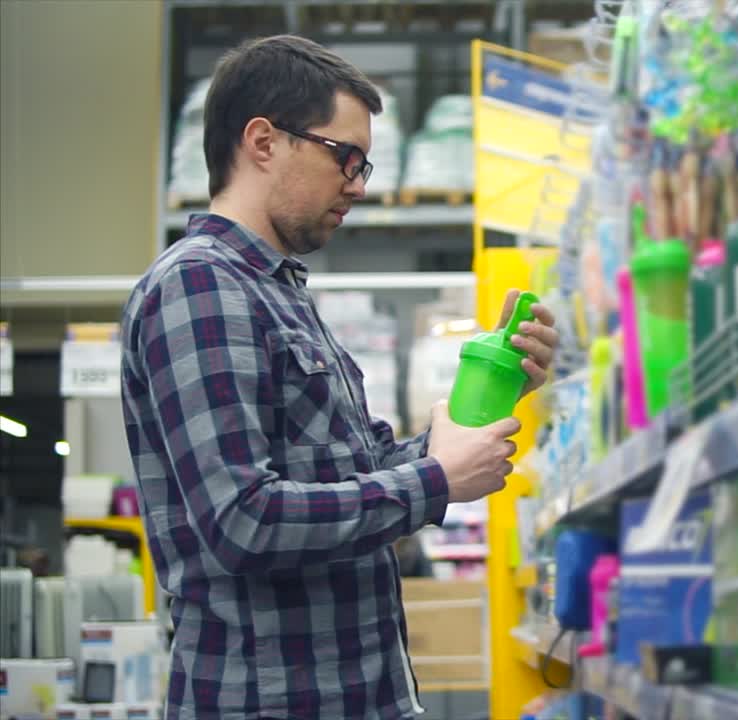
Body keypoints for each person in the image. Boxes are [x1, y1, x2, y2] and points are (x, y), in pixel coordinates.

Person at [120, 35, 559, 720]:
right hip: (270, 702)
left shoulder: (278, 291)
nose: (358, 182)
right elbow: (243, 519)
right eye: (343, 156)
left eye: (365, 162)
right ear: (263, 142)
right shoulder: (198, 286)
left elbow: (359, 467)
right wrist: (435, 482)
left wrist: (493, 392)